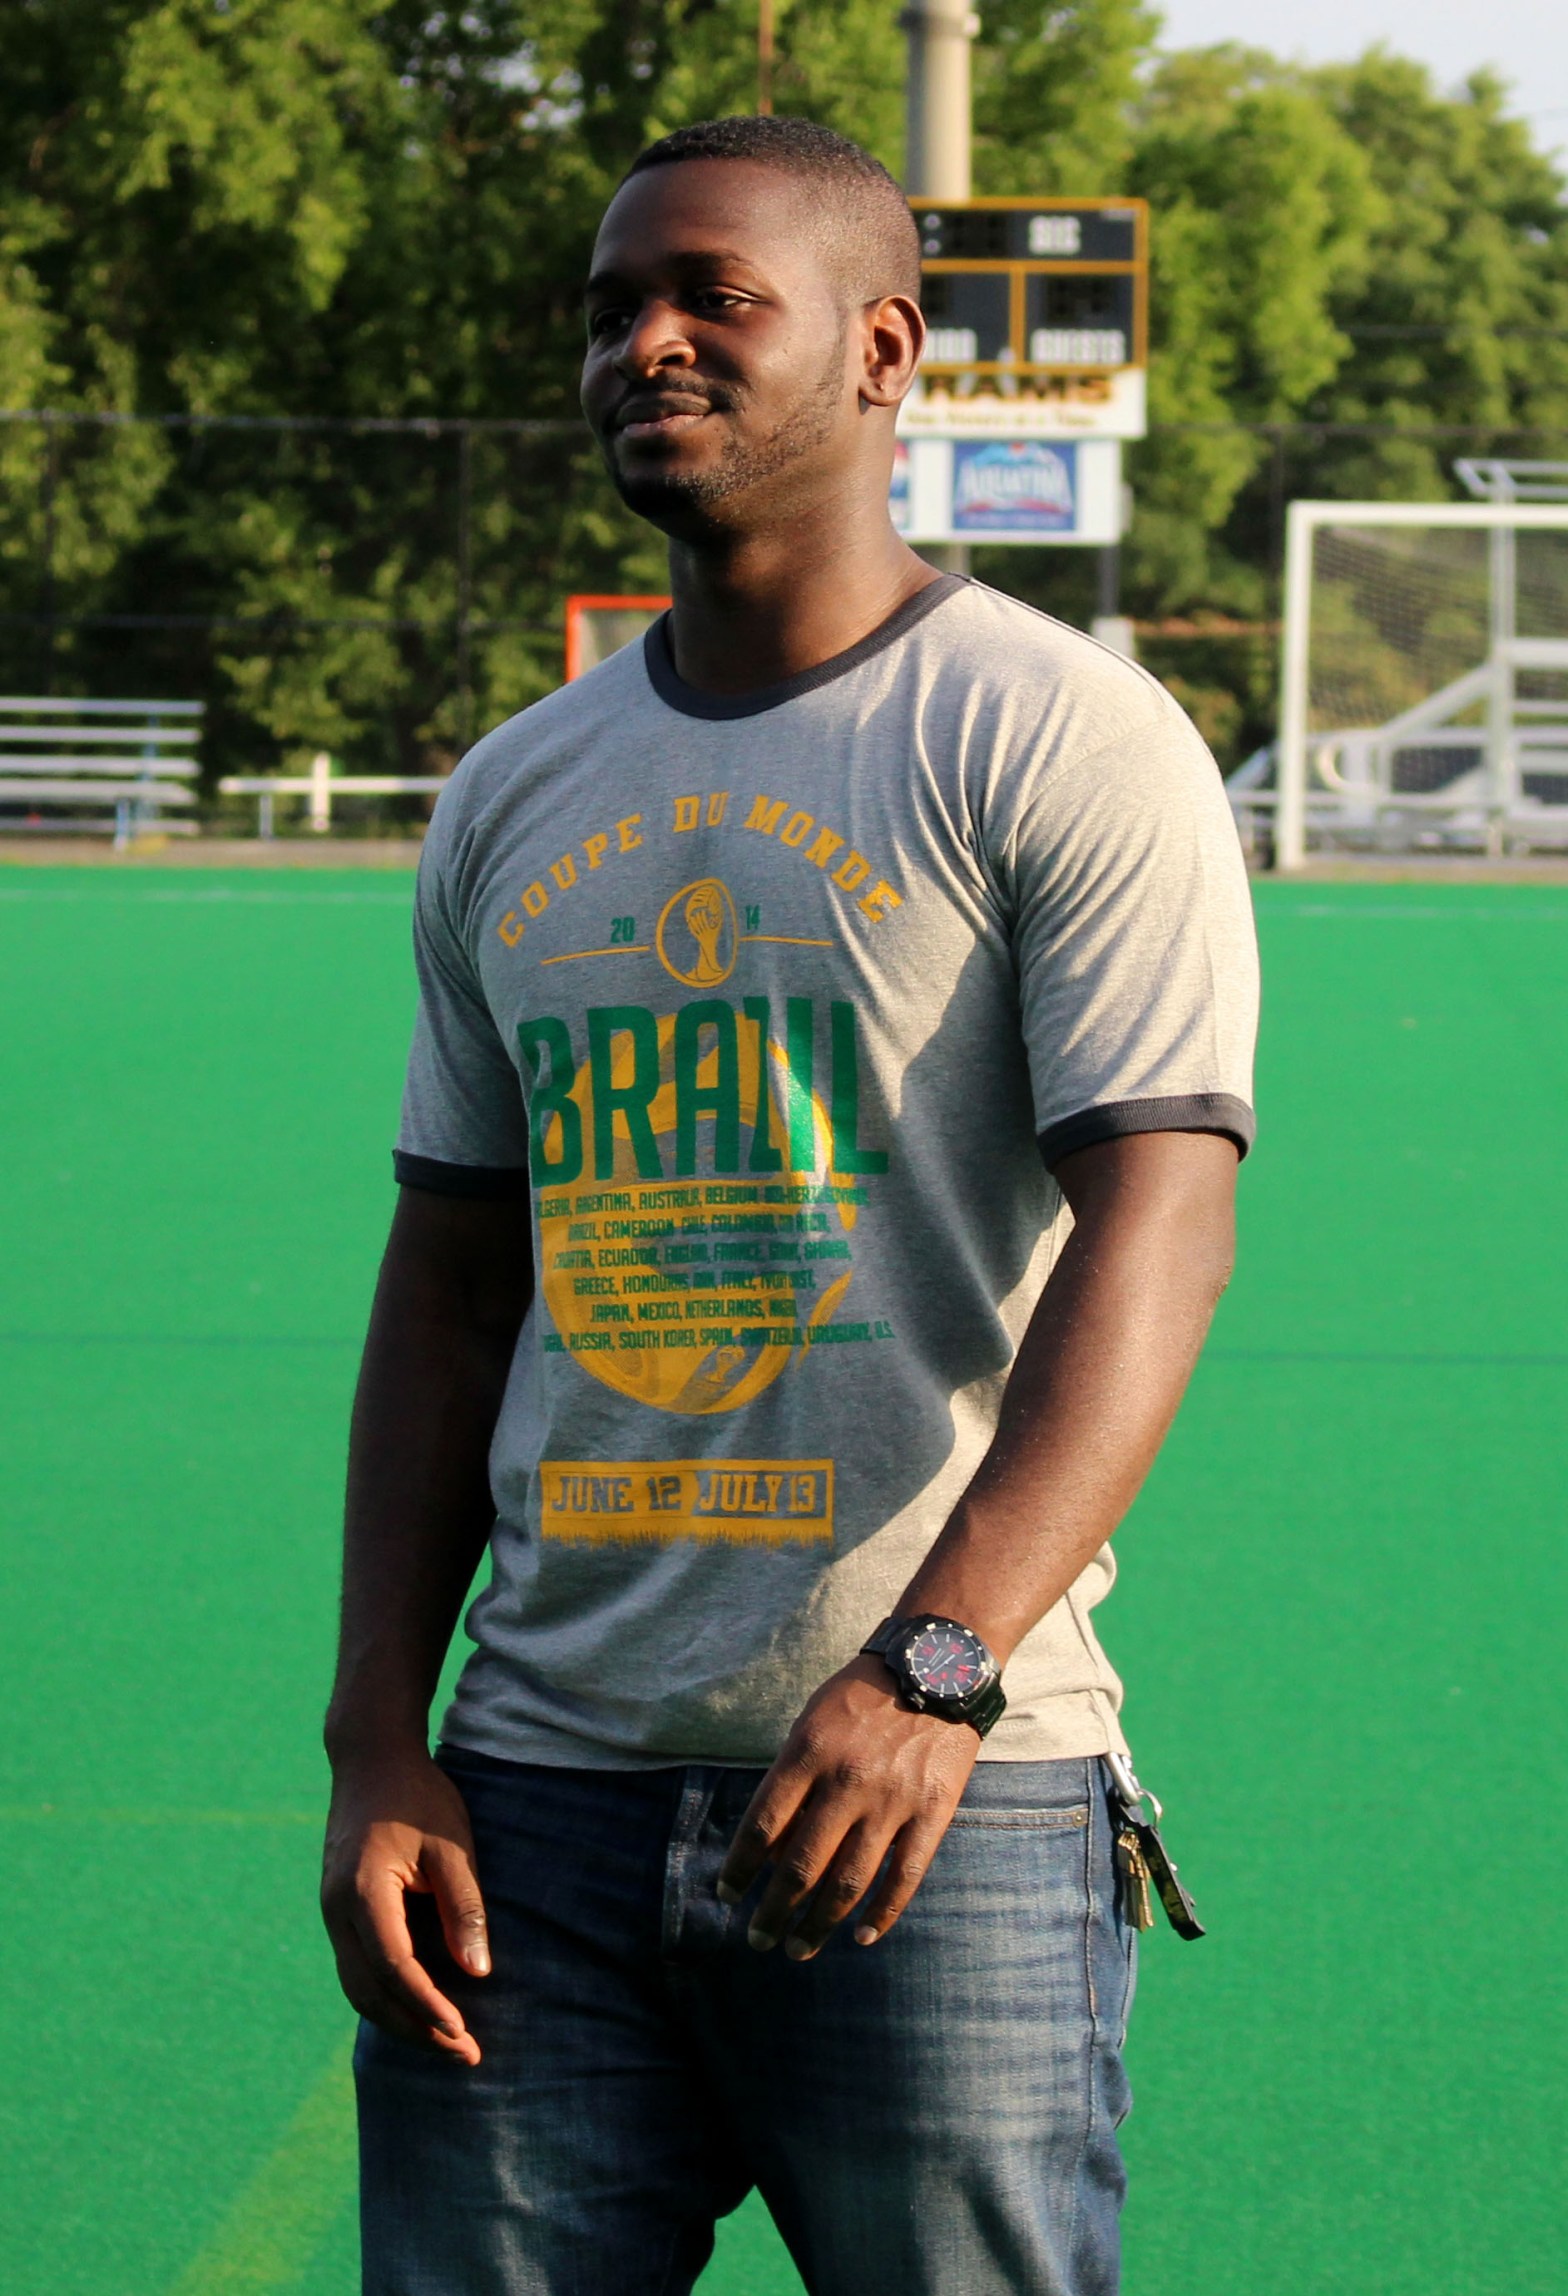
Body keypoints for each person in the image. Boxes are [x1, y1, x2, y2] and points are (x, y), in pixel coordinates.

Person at [321, 113, 1258, 2296]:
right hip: (530, 1800)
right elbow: (449, 1285)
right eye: (607, 311)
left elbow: (1161, 1220)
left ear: (882, 346)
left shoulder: (1059, 734)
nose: (641, 344)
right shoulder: (515, 788)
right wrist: (378, 1733)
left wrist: (933, 1669)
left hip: (937, 1787)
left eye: (710, 298)